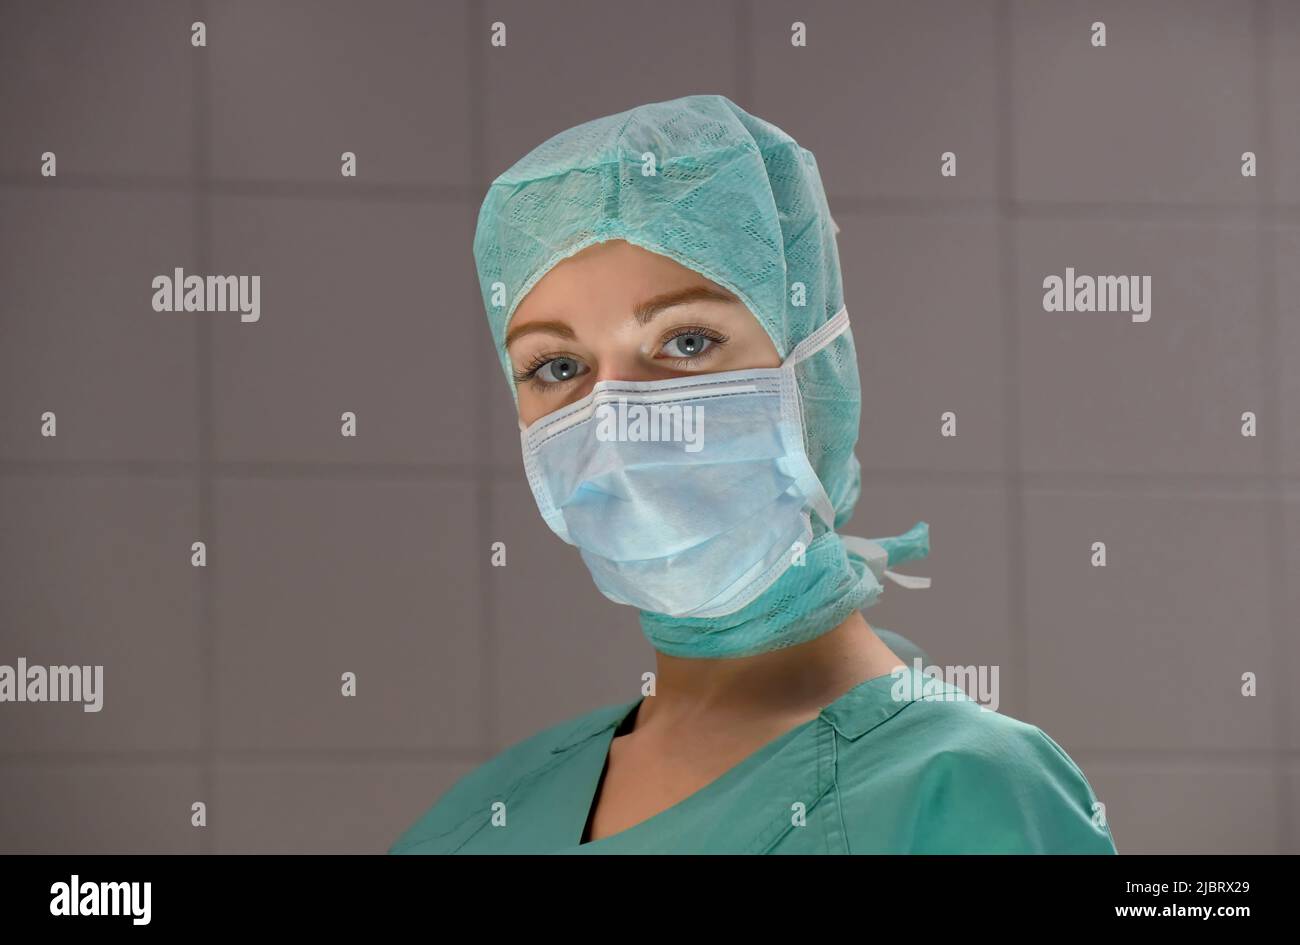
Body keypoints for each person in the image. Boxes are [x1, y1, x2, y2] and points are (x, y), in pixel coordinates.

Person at [389, 94, 1117, 854]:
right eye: (557, 365)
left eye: (688, 340)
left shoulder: (963, 794)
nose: (617, 417)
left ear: (813, 366)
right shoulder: (478, 820)